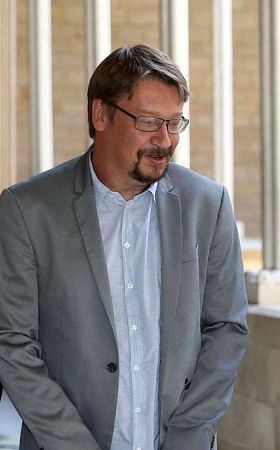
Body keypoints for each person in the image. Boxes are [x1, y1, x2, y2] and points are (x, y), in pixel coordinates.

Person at [0, 44, 248, 450]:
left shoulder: (208, 203)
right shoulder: (28, 209)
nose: (165, 140)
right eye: (149, 122)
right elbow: (12, 343)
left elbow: (227, 329)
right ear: (101, 115)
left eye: (174, 123)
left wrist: (188, 436)